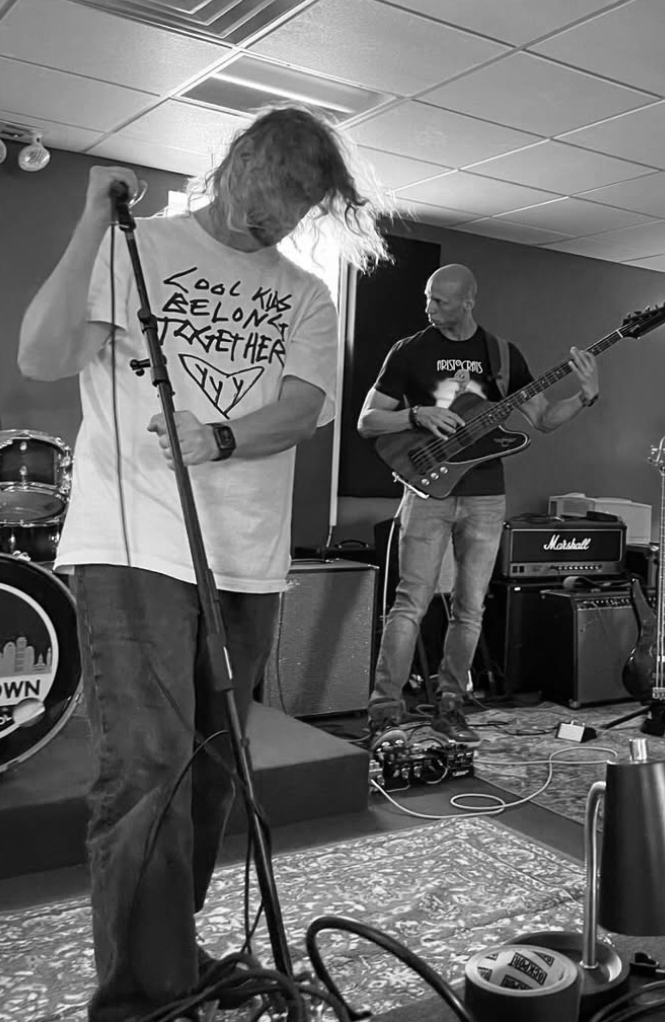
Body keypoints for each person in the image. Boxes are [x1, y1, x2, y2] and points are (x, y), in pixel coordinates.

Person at [18, 105, 386, 1022]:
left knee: (214, 771)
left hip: (244, 562)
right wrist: (92, 221)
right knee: (148, 761)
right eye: (273, 195)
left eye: (300, 208)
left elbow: (304, 409)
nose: (278, 220)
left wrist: (217, 437)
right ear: (238, 161)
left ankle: (165, 955)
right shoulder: (137, 247)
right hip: (133, 543)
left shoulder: (306, 293)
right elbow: (42, 353)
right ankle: (142, 1000)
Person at [357, 263, 600, 747]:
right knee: (410, 603)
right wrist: (415, 413)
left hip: (486, 495)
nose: (428, 309)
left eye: (439, 301)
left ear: (468, 301)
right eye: (427, 298)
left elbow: (545, 419)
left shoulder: (503, 356)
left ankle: (451, 704)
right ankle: (385, 709)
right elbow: (368, 420)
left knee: (470, 607)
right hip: (426, 489)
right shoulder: (410, 350)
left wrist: (586, 396)